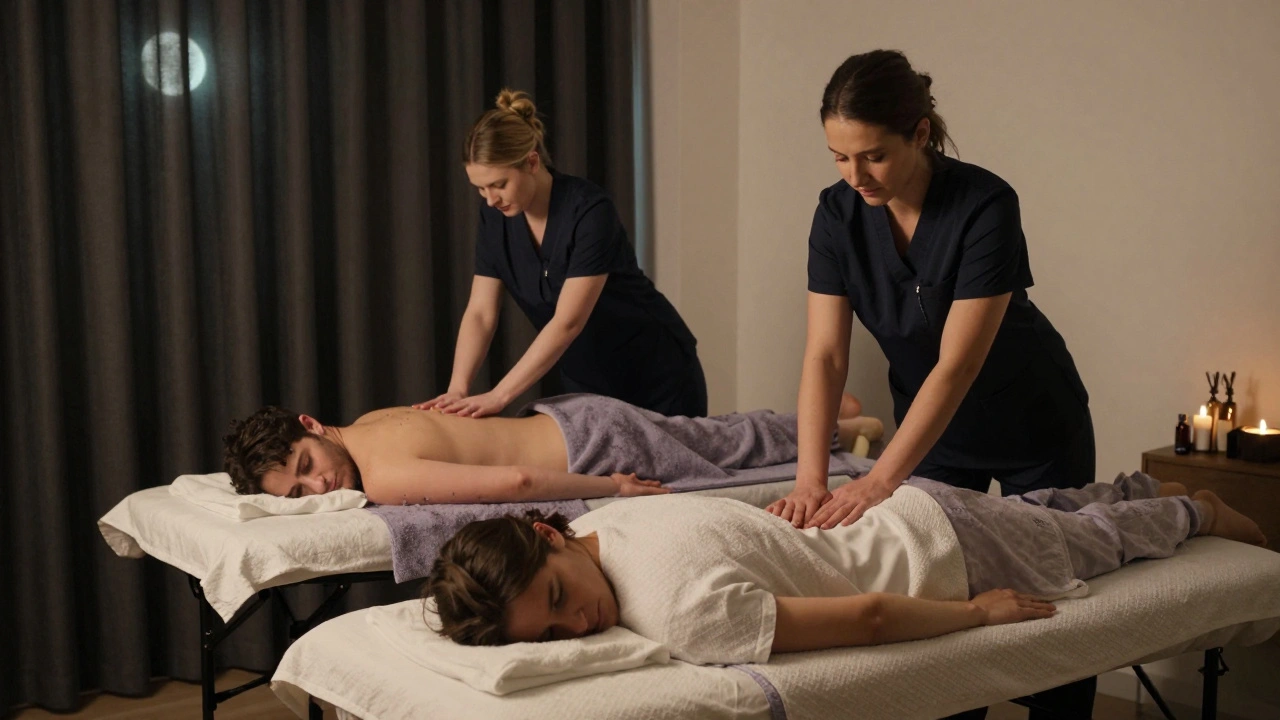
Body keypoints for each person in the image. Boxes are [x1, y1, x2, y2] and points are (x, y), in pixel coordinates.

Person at [763, 49, 1098, 719]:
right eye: (839, 157)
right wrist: (809, 480)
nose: (855, 175)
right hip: (936, 434)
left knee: (1054, 605)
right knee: (942, 604)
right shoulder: (837, 216)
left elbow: (957, 364)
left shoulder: (984, 204)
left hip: (1034, 423)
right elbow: (825, 356)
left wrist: (880, 480)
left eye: (873, 156)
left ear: (919, 133)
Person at [423, 475, 1266, 663]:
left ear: (547, 534)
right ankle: (1150, 488)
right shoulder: (605, 524)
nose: (579, 624)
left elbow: (868, 617)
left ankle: (1200, 511)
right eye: (553, 633)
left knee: (1098, 541)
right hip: (918, 510)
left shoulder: (681, 613)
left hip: (948, 555)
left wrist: (977, 616)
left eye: (558, 598)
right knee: (1055, 512)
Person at [414, 89, 706, 419]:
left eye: (499, 184)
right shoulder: (494, 218)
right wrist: (458, 388)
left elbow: (568, 322)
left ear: (532, 162)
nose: (491, 199)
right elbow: (481, 312)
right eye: (480, 188)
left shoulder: (590, 211)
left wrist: (498, 396)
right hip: (587, 380)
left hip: (656, 374)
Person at [221, 392, 882, 506]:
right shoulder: (372, 419)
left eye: (307, 467)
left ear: (311, 426)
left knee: (727, 453)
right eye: (297, 493)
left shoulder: (385, 478)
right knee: (714, 434)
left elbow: (515, 484)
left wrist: (613, 487)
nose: (319, 487)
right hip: (571, 414)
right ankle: (834, 416)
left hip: (592, 446)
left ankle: (843, 430)